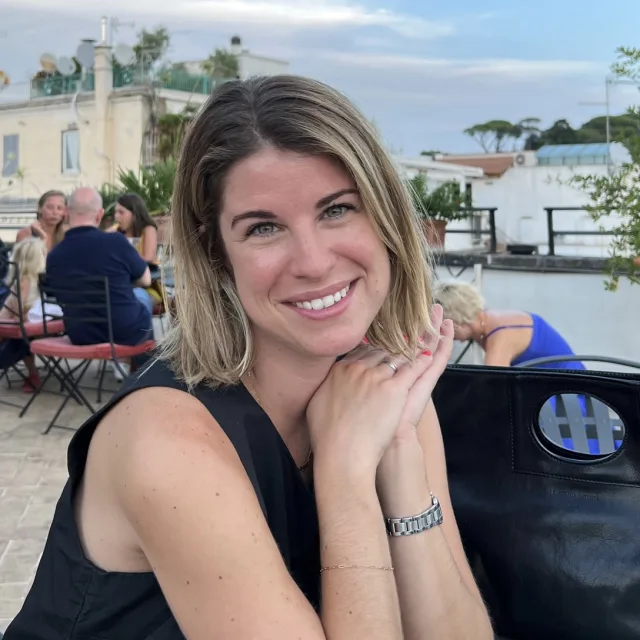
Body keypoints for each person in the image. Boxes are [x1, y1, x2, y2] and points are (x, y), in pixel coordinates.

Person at [5, 77, 493, 639]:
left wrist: (401, 458)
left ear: (385, 218)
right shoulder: (168, 445)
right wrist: (346, 473)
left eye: (337, 210)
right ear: (217, 254)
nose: (312, 261)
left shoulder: (380, 390)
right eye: (264, 227)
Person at [45, 187, 153, 349]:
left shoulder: (54, 255)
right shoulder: (116, 242)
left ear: (66, 213)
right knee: (141, 295)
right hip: (124, 332)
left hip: (81, 334)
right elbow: (146, 280)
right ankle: (142, 369)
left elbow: (52, 293)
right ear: (100, 214)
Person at [434, 280, 585, 369]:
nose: (441, 331)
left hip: (568, 404)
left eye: (443, 323)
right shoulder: (492, 321)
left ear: (456, 316)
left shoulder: (500, 334)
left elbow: (492, 388)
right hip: (559, 395)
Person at [0, 238, 47, 392]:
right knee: (23, 339)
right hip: (12, 323)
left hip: (20, 323)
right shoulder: (26, 280)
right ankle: (33, 373)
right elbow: (18, 308)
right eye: (43, 253)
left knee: (24, 339)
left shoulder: (31, 278)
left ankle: (33, 373)